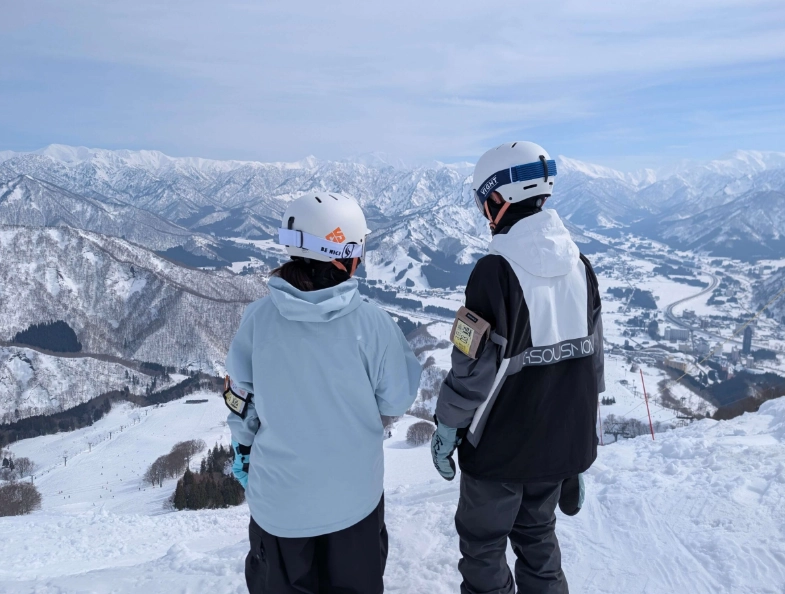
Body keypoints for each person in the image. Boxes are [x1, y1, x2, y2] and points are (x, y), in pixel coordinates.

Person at [225, 192, 422, 594]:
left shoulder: (258, 320)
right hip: (355, 504)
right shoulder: (373, 324)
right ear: (345, 255)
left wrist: (244, 450)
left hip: (280, 509)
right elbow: (397, 399)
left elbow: (243, 403)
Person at [431, 141, 604, 594]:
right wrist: (578, 444)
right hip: (556, 448)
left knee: (484, 546)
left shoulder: (494, 272)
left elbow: (471, 369)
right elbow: (591, 362)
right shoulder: (581, 267)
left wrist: (448, 427)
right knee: (538, 539)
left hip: (499, 449)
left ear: (497, 200)